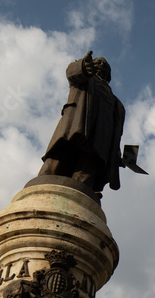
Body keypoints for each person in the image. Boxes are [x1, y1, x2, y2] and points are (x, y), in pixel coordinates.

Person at [39, 51, 124, 194]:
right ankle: (40, 192)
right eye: (98, 63)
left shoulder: (117, 104)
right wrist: (83, 67)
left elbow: (116, 134)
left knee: (84, 180)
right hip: (75, 129)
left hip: (99, 142)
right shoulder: (85, 79)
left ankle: (80, 196)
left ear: (109, 75)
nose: (101, 66)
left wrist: (116, 157)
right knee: (54, 166)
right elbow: (72, 72)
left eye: (104, 66)